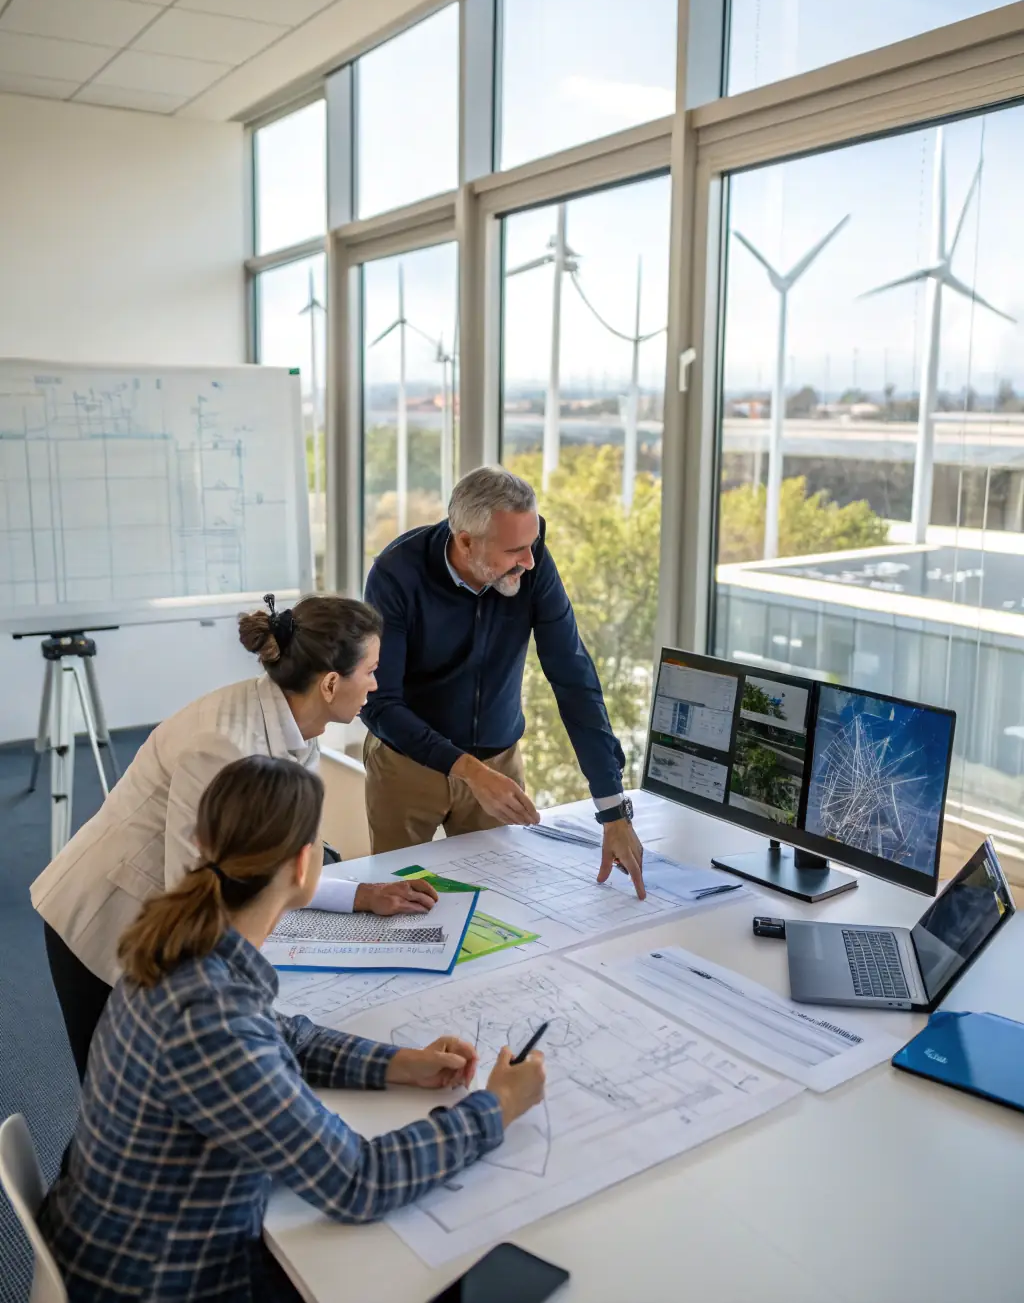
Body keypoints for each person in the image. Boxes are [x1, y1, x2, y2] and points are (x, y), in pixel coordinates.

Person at [38, 756, 545, 1303]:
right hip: (158, 1282)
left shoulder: (185, 945)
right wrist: (496, 1108)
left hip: (117, 1237)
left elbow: (287, 1036)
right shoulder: (210, 1018)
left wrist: (400, 1063)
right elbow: (359, 1182)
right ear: (305, 865)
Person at [31, 593, 438, 1081]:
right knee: (118, 1087)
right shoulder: (222, 747)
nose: (377, 683)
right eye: (371, 670)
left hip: (165, 916)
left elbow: (272, 866)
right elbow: (195, 889)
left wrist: (360, 895)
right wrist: (246, 1000)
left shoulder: (295, 724)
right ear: (331, 683)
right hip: (107, 916)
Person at [362, 466, 646, 896]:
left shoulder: (532, 563)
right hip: (407, 765)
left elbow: (574, 679)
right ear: (465, 542)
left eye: (532, 544)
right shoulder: (395, 574)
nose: (529, 561)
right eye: (515, 549)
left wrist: (613, 811)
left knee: (500, 905)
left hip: (500, 765)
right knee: (400, 904)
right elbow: (378, 702)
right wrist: (469, 771)